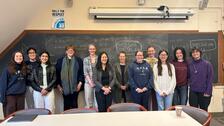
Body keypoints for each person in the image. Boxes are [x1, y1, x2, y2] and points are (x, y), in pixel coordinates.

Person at [56, 45, 84, 110]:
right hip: (64, 87)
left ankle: (75, 119)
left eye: (72, 50)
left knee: (74, 104)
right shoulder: (60, 61)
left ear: (74, 52)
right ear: (66, 51)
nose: (70, 51)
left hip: (76, 87)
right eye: (69, 50)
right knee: (66, 105)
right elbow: (57, 74)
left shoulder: (78, 60)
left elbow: (81, 73)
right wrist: (58, 86)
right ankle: (66, 119)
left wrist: (80, 83)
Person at [0, 51, 27, 117]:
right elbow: (3, 84)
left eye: (20, 56)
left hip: (21, 95)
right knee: (10, 116)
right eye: (17, 56)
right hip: (10, 96)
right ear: (13, 58)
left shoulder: (24, 69)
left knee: (20, 115)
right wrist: (2, 98)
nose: (19, 57)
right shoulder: (7, 69)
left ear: (23, 58)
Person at [83, 44, 98, 108]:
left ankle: (97, 114)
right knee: (88, 100)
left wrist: (95, 82)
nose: (92, 50)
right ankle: (89, 115)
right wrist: (91, 82)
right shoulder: (85, 59)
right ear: (89, 50)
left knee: (97, 100)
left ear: (95, 49)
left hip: (98, 82)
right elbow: (85, 72)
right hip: (88, 83)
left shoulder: (99, 58)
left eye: (93, 49)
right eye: (90, 49)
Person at [144, 46, 158, 110]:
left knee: (156, 99)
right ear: (147, 52)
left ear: (154, 51)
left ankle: (155, 113)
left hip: (156, 83)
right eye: (149, 51)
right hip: (147, 83)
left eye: (152, 51)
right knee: (147, 99)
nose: (151, 52)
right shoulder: (144, 61)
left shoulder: (158, 60)